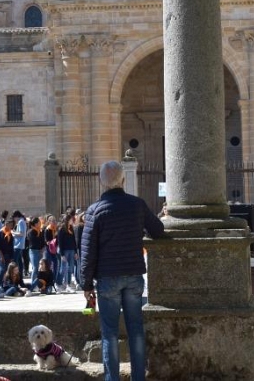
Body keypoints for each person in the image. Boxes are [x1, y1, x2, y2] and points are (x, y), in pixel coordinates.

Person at [80, 160, 165, 381]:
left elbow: (88, 252)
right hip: (134, 275)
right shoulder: (137, 204)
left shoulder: (95, 210)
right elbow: (158, 230)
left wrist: (86, 285)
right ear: (123, 180)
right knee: (136, 329)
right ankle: (138, 378)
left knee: (109, 333)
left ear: (101, 182)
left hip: (107, 278)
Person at [57, 213, 78, 292]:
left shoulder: (71, 228)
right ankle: (59, 283)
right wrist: (62, 254)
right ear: (67, 220)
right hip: (65, 251)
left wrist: (75, 252)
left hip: (72, 250)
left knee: (70, 268)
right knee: (63, 269)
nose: (72, 220)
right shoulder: (61, 229)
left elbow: (73, 240)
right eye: (71, 219)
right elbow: (60, 242)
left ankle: (68, 284)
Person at [27, 216, 46, 290]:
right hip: (33, 251)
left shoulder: (40, 231)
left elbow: (42, 241)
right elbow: (33, 242)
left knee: (39, 268)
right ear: (35, 224)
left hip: (40, 251)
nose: (40, 223)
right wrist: (40, 245)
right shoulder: (31, 231)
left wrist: (43, 247)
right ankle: (33, 284)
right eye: (38, 222)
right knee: (35, 268)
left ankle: (38, 284)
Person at [0, 217, 15, 283]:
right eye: (10, 225)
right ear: (6, 224)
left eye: (12, 225)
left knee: (7, 269)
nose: (11, 226)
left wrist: (12, 257)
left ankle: (5, 283)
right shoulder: (0, 233)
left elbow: (11, 246)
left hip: (8, 254)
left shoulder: (10, 234)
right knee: (2, 269)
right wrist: (1, 256)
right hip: (1, 254)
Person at [11, 210, 27, 278]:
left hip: (18, 244)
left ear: (16, 217)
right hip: (20, 244)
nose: (14, 220)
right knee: (20, 261)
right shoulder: (22, 221)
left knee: (15, 261)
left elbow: (21, 233)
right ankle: (20, 275)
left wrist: (13, 233)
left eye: (14, 218)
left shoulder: (20, 222)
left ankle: (16, 275)